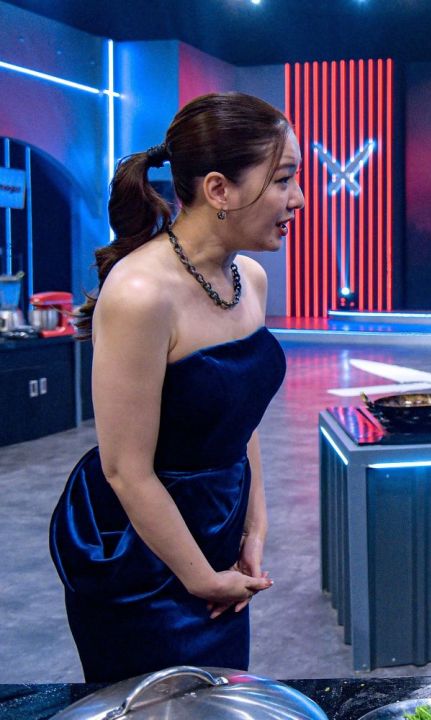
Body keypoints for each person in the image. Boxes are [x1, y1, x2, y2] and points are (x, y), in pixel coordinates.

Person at [49, 92, 305, 682]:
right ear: (219, 190)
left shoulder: (250, 279)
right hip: (141, 556)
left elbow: (241, 420)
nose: (297, 199)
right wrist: (200, 578)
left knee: (218, 699)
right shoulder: (140, 294)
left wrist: (255, 526)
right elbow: (125, 471)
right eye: (282, 180)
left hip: (217, 530)